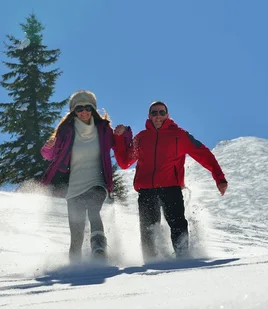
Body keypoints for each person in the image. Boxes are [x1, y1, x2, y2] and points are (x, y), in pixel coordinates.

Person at [114, 101, 228, 262]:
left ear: (167, 115)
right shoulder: (141, 138)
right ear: (149, 116)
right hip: (146, 190)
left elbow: (204, 154)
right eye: (154, 113)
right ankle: (150, 261)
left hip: (171, 188)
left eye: (161, 112)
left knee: (177, 224)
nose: (158, 116)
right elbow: (125, 162)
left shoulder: (180, 135)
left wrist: (219, 178)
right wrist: (119, 139)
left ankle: (183, 257)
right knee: (148, 229)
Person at [41, 90, 133, 262]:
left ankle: (99, 248)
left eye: (87, 107)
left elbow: (120, 144)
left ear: (93, 109)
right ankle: (75, 265)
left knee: (93, 209)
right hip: (74, 185)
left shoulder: (103, 129)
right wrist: (48, 146)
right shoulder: (66, 131)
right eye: (79, 108)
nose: (84, 111)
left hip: (97, 181)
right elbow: (50, 155)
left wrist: (124, 132)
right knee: (76, 230)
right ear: (73, 111)